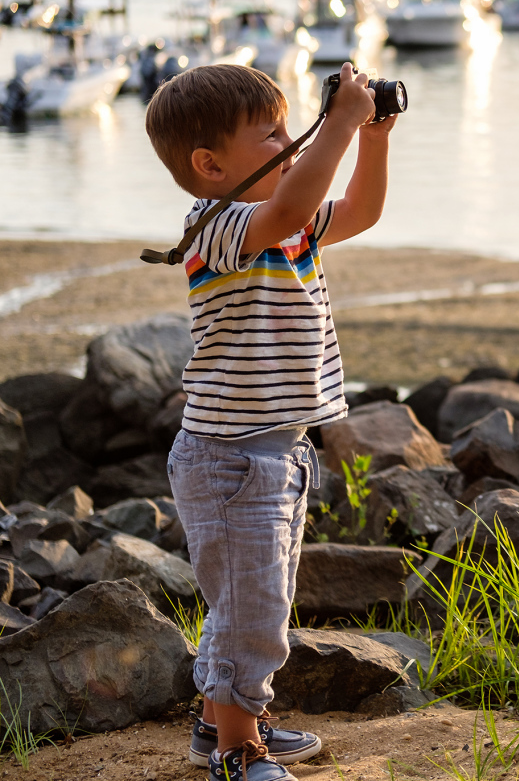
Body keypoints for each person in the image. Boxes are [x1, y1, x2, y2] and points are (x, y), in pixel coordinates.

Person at [145, 62, 395, 781]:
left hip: (279, 453)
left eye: (292, 128)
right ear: (209, 166)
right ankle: (237, 751)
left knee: (255, 605)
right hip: (228, 460)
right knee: (250, 613)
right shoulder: (217, 226)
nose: (294, 141)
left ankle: (215, 725)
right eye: (274, 134)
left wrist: (372, 136)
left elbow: (361, 209)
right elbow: (287, 209)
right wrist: (339, 123)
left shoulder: (287, 228)